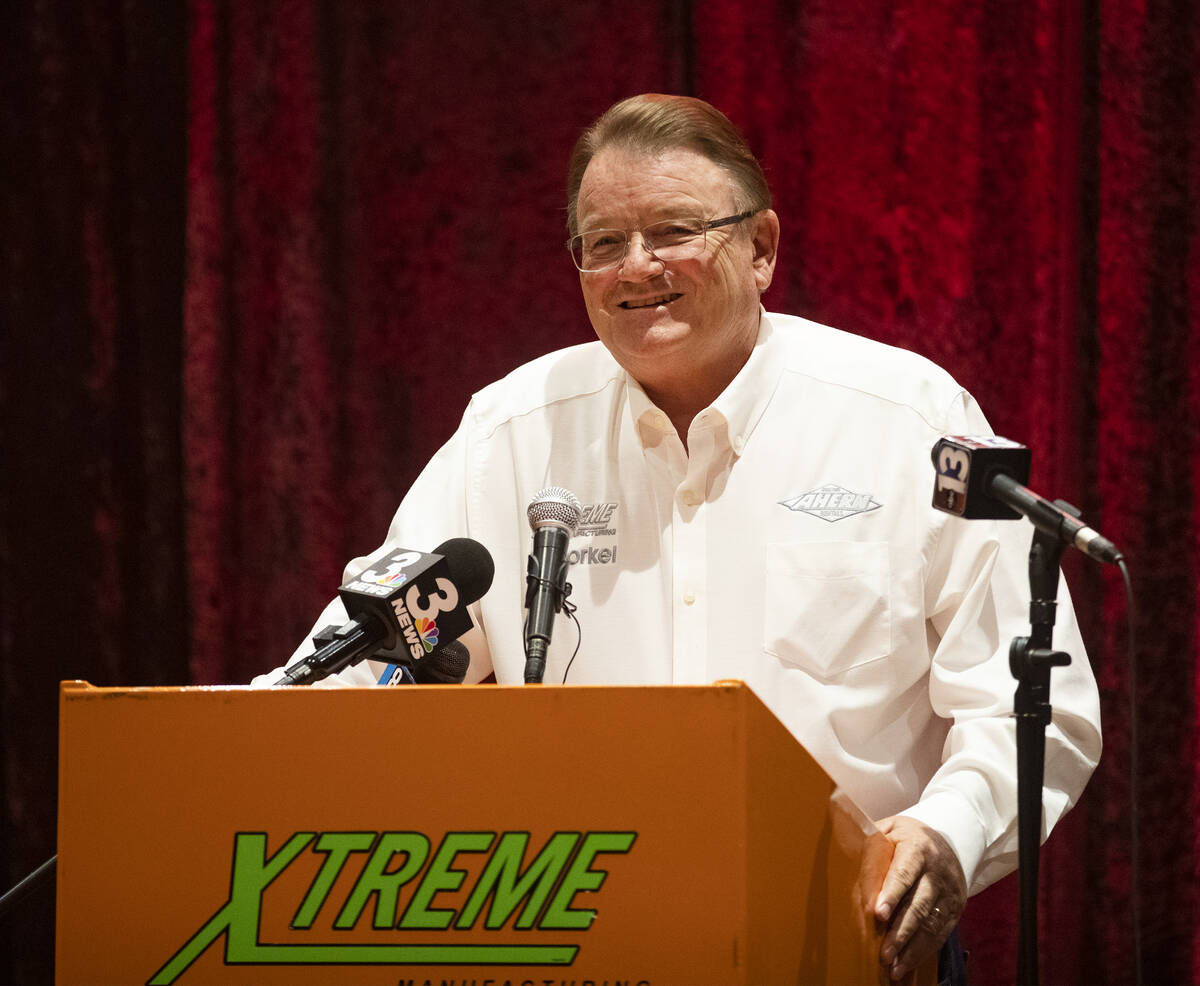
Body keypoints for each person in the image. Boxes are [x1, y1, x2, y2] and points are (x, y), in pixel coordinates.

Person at [256, 94, 1101, 981]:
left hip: (842, 946)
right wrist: (243, 740)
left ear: (762, 247)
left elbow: (1035, 708)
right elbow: (364, 662)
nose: (636, 267)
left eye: (672, 231)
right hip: (575, 945)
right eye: (602, 243)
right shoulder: (510, 434)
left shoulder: (909, 419)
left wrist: (948, 833)